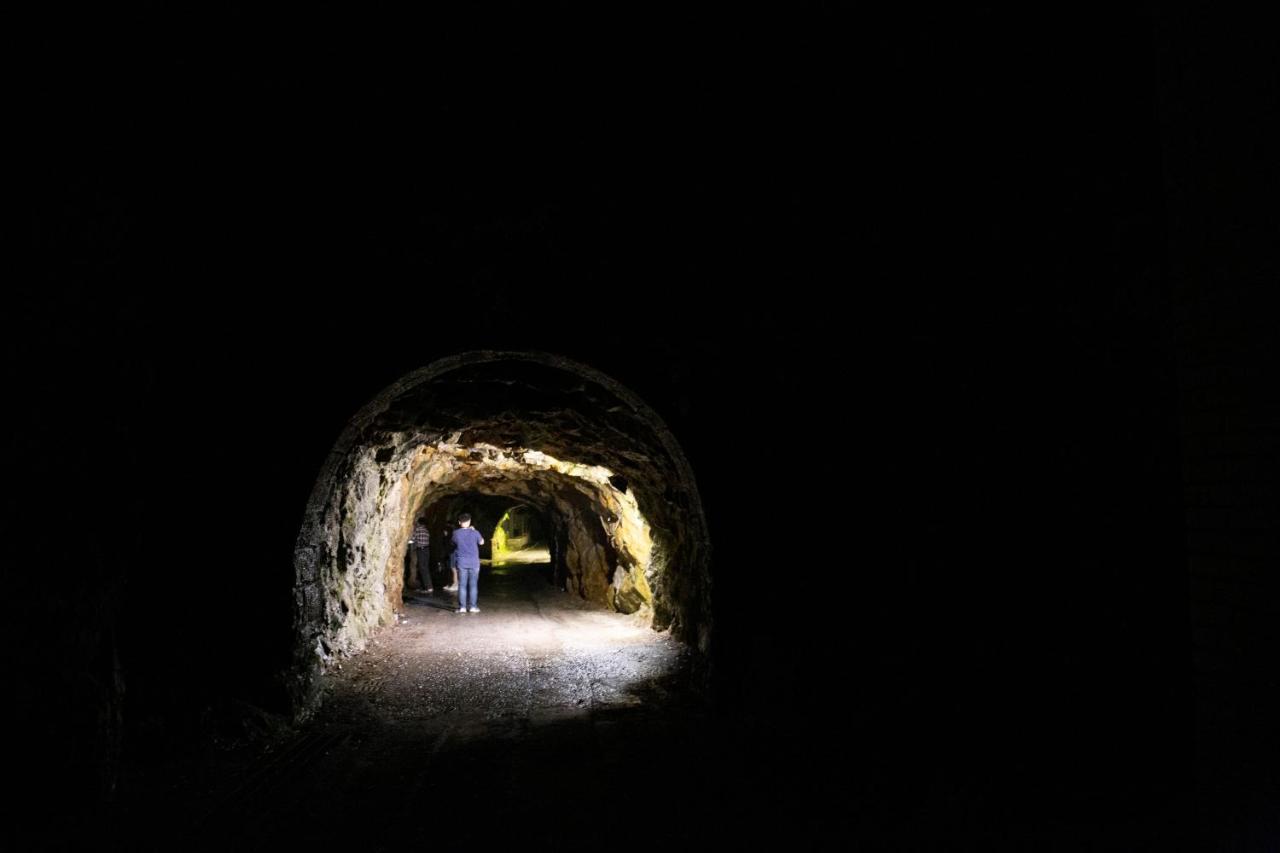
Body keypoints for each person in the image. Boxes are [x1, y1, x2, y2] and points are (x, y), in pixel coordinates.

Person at [451, 513, 484, 613]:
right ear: (469, 522)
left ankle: (462, 607)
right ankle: (473, 607)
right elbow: (482, 542)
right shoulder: (475, 532)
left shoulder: (456, 533)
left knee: (462, 585)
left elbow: (453, 543)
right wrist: (473, 531)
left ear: (459, 522)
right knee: (473, 585)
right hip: (474, 562)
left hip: (462, 562)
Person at [409, 516, 433, 594]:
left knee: (422, 568)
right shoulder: (426, 530)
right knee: (425, 567)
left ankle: (428, 587)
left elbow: (412, 539)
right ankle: (427, 586)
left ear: (419, 523)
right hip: (427, 550)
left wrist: (408, 542)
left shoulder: (418, 529)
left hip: (421, 550)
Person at [441, 526, 458, 591]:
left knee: (453, 568)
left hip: (452, 554)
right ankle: (450, 584)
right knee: (450, 569)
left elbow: (451, 547)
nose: (444, 532)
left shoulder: (450, 538)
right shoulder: (447, 538)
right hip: (449, 555)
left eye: (445, 531)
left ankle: (455, 584)